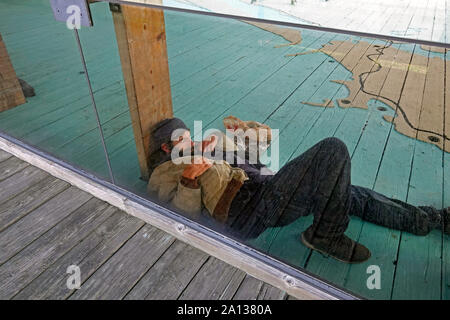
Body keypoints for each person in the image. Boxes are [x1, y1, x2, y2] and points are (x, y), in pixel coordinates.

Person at [147, 118, 449, 263]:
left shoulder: (211, 146)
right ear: (167, 147)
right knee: (333, 151)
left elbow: (255, 160)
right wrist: (188, 179)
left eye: (189, 136)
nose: (191, 141)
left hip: (267, 185)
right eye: (182, 140)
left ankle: (429, 220)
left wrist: (249, 134)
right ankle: (323, 236)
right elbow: (178, 214)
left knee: (345, 192)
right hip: (245, 209)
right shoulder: (165, 172)